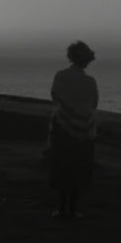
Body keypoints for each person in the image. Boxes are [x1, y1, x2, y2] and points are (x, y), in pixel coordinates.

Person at [48, 40, 99, 219]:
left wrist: (69, 111)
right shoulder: (90, 81)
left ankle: (61, 208)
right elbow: (94, 103)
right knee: (80, 167)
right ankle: (74, 209)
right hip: (86, 130)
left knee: (63, 166)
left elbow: (55, 96)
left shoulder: (61, 76)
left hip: (63, 126)